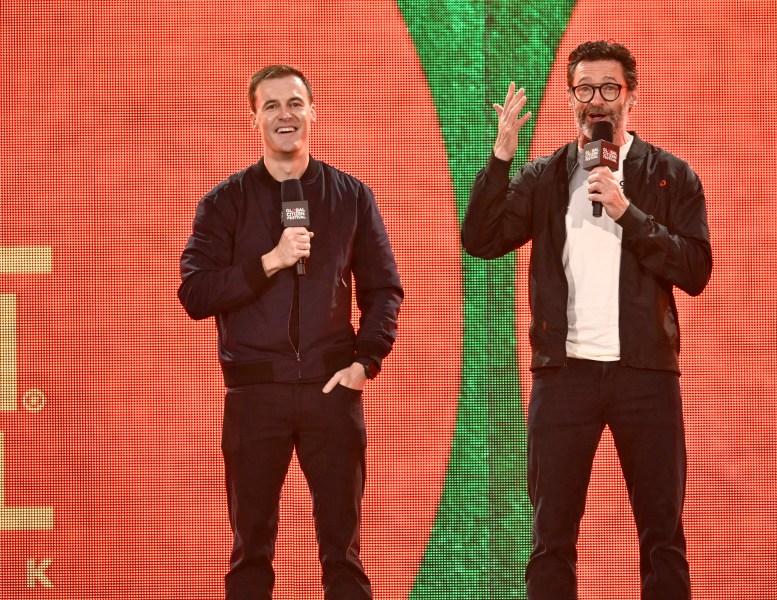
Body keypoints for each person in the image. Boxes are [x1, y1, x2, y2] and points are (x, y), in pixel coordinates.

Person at [462, 41, 712, 599]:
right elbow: (480, 239)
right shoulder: (545, 175)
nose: (596, 101)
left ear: (631, 96)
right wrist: (501, 158)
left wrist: (628, 213)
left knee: (662, 535)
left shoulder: (670, 175)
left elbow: (696, 269)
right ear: (571, 97)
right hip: (564, 375)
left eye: (609, 88)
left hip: (645, 375)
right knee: (551, 536)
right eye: (584, 89)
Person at [178, 64, 402, 600]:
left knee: (342, 554)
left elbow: (384, 290)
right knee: (250, 552)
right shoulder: (225, 202)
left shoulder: (349, 196)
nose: (286, 115)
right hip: (255, 395)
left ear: (312, 112)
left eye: (296, 104)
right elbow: (196, 293)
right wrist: (270, 261)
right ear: (253, 117)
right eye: (273, 105)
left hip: (332, 390)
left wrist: (363, 363)